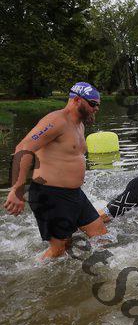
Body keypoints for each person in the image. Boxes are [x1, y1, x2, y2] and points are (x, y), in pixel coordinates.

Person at [3, 82, 107, 258]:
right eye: (92, 104)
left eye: (98, 105)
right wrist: (17, 189)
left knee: (102, 237)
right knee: (58, 251)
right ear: (77, 100)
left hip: (75, 195)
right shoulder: (56, 121)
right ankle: (36, 271)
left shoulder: (80, 124)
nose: (96, 108)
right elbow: (23, 148)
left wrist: (89, 113)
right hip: (50, 195)